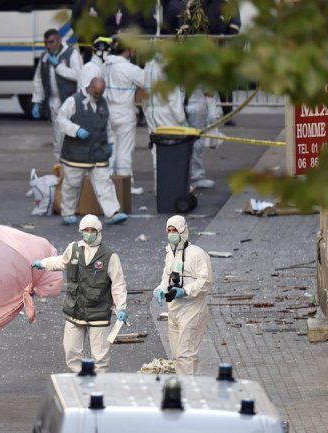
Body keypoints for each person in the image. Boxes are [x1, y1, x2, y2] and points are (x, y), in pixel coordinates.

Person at [32, 215, 128, 373]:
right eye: (85, 230)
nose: (89, 234)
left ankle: (98, 388)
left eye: (92, 230)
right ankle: (81, 381)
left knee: (100, 357)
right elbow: (61, 262)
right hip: (75, 309)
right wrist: (43, 263)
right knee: (71, 351)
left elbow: (118, 284)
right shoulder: (74, 249)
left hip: (99, 312)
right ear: (81, 231)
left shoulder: (110, 256)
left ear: (99, 232)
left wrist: (121, 307)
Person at [55, 77, 128, 226]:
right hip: (76, 152)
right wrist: (76, 130)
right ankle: (68, 212)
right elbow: (61, 119)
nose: (97, 96)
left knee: (104, 182)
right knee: (72, 184)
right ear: (89, 88)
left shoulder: (103, 103)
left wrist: (110, 143)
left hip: (97, 152)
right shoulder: (73, 101)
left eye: (100, 94)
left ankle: (112, 212)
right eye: (95, 93)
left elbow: (107, 126)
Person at [153, 215, 213, 375]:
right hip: (175, 310)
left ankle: (188, 391)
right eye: (169, 230)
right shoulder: (170, 253)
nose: (171, 234)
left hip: (192, 309)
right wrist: (160, 289)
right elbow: (166, 277)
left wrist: (185, 291)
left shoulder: (196, 254)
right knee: (178, 356)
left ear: (183, 231)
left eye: (175, 230)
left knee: (185, 354)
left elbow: (206, 281)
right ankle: (190, 387)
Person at [31, 28, 83, 161]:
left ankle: (72, 170)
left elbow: (79, 75)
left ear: (59, 41)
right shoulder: (45, 57)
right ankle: (59, 171)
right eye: (46, 43)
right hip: (53, 103)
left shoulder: (71, 54)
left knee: (70, 138)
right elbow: (38, 80)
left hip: (70, 103)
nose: (48, 46)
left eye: (51, 42)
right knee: (57, 139)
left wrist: (59, 66)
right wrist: (37, 101)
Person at [103, 40, 145, 195]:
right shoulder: (129, 68)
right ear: (127, 50)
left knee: (111, 150)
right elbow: (147, 81)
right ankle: (126, 184)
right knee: (125, 151)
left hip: (108, 111)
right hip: (125, 112)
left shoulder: (105, 65)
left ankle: (109, 183)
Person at [142, 54, 187, 191]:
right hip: (167, 113)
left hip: (152, 111)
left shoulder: (149, 64)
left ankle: (160, 187)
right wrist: (182, 120)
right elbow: (173, 98)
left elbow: (144, 91)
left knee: (157, 151)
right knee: (173, 151)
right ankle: (172, 186)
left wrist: (146, 110)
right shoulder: (168, 65)